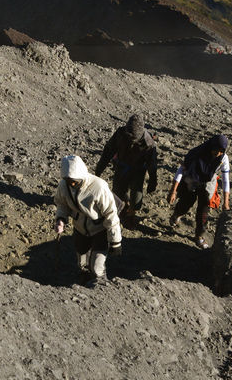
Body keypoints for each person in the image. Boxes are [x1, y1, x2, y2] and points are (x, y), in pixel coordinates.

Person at [53, 155, 123, 287]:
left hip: (99, 230)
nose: (72, 184)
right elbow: (62, 204)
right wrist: (61, 219)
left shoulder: (98, 187)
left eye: (74, 181)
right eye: (69, 181)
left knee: (97, 268)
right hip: (80, 229)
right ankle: (84, 283)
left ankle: (99, 286)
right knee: (82, 264)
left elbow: (111, 214)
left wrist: (115, 241)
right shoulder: (64, 185)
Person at [167, 134, 232, 249]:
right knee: (186, 202)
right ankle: (177, 214)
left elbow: (226, 180)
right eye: (216, 150)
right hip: (192, 178)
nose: (218, 153)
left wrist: (226, 202)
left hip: (208, 182)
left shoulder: (223, 159)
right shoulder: (196, 154)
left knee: (204, 209)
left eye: (221, 151)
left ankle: (199, 236)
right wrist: (173, 190)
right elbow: (181, 171)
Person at [94, 114, 159, 222]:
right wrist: (99, 170)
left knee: (136, 197)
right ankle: (124, 208)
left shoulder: (149, 144)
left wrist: (153, 181)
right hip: (121, 166)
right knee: (118, 193)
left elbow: (152, 166)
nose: (131, 139)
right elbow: (108, 152)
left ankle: (132, 213)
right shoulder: (120, 133)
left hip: (138, 170)